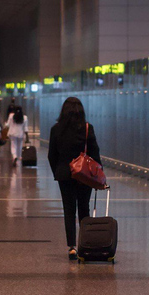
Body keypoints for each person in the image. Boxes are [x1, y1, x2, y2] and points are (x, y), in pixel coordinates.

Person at [48, 97, 101, 261]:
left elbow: (52, 155)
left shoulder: (56, 129)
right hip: (84, 174)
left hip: (65, 174)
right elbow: (95, 153)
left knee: (69, 209)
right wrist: (99, 176)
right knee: (84, 207)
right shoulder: (87, 128)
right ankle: (85, 244)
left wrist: (58, 172)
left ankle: (72, 247)